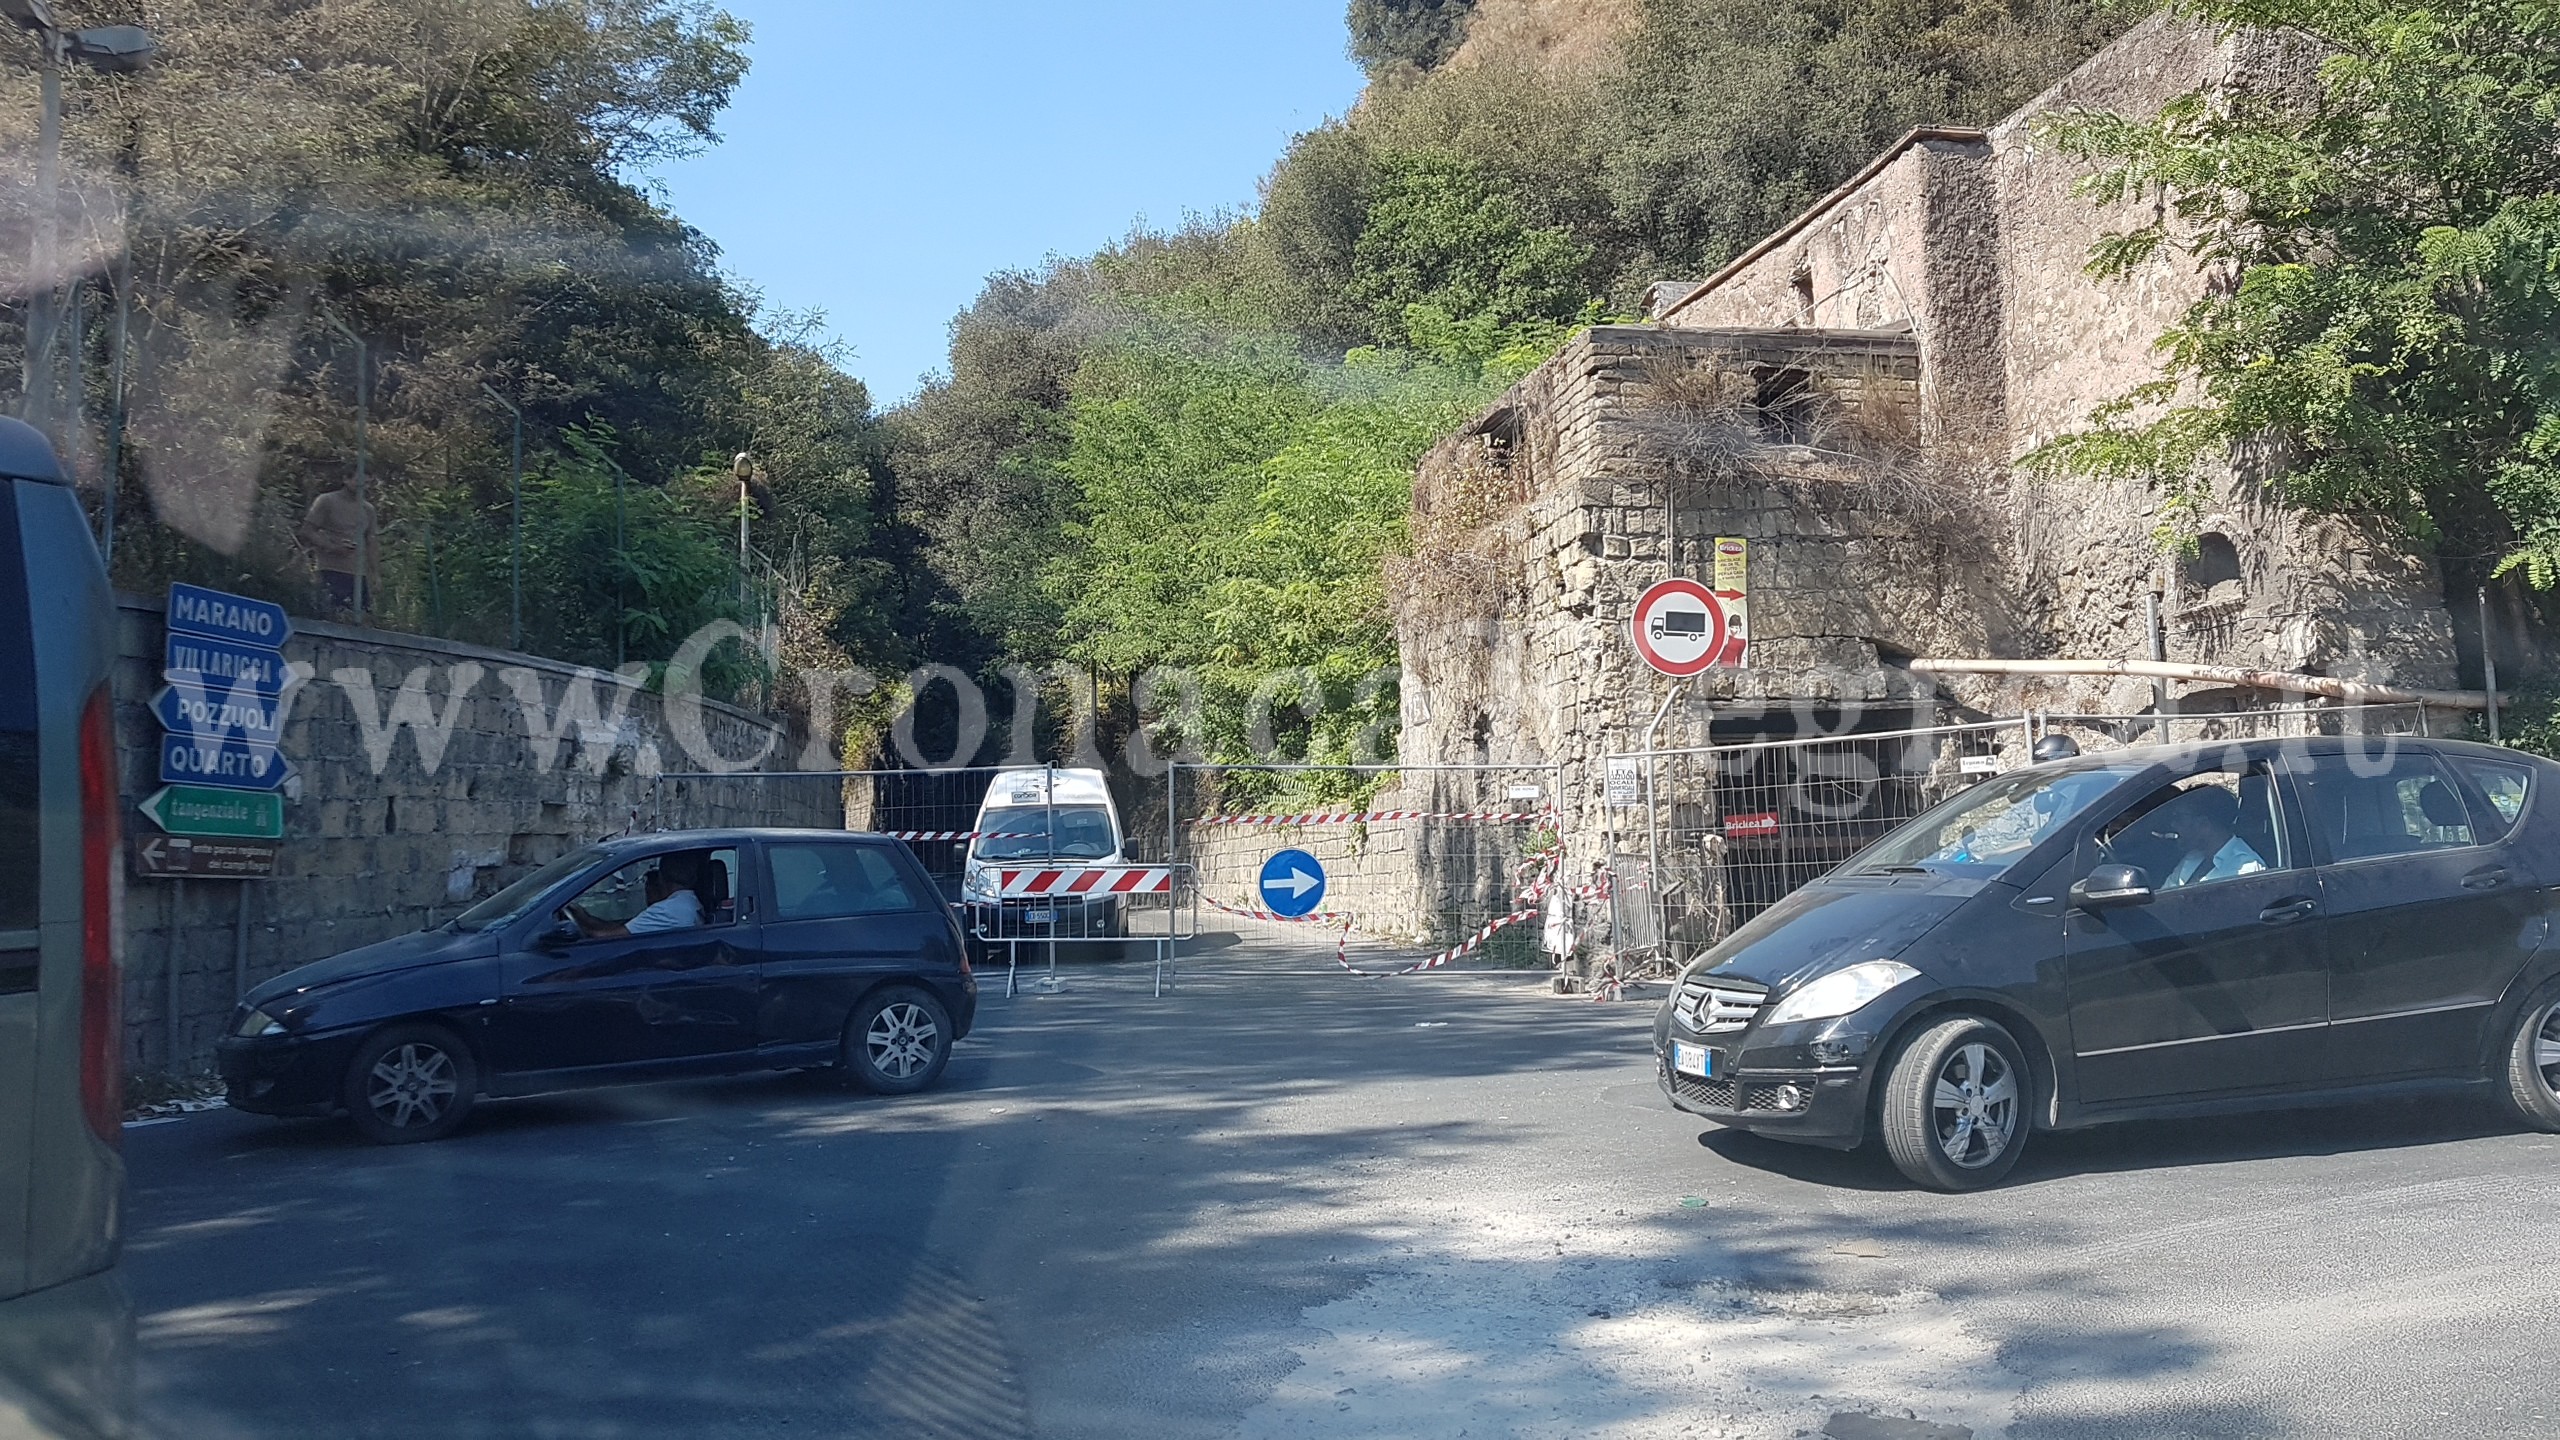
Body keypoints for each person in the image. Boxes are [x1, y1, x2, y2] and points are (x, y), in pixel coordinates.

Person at [296, 470, 378, 619]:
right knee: (331, 614)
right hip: (330, 569)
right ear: (346, 479)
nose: (362, 486)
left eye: (367, 483)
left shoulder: (368, 509)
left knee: (363, 618)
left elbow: (371, 541)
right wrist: (332, 547)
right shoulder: (327, 501)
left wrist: (375, 573)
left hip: (358, 573)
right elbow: (307, 531)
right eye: (358, 480)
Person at [566, 853, 704, 939]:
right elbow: (623, 926)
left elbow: (607, 938)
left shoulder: (670, 910)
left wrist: (579, 928)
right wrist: (585, 918)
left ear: (661, 878)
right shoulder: (687, 902)